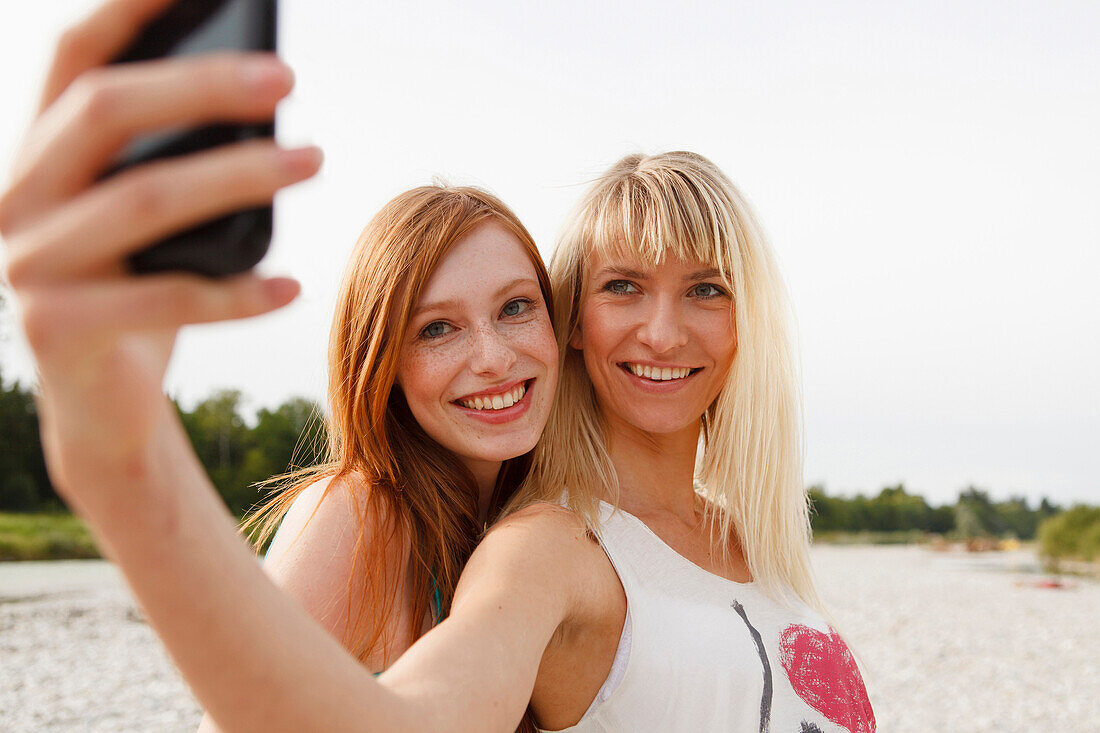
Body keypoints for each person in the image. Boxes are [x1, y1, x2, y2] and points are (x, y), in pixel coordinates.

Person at [3, 2, 875, 732]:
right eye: (622, 286)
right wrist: (121, 462)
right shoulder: (533, 548)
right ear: (582, 318)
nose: (662, 329)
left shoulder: (750, 537)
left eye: (707, 290)